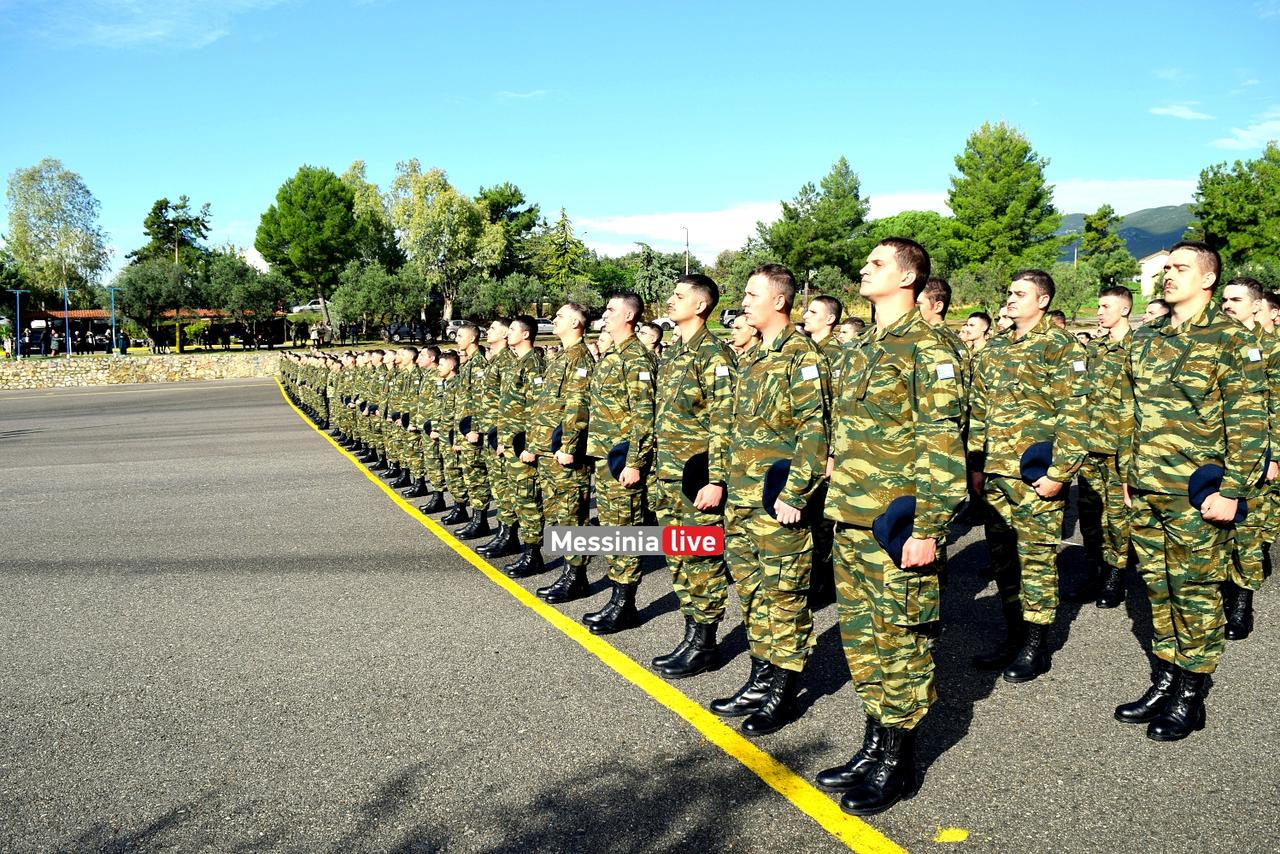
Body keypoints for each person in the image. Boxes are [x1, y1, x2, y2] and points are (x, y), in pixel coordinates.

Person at [817, 237, 965, 815]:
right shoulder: (861, 347)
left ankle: (898, 763)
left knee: (902, 642)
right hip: (852, 519)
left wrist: (928, 528)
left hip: (898, 527)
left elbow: (943, 444)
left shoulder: (931, 347)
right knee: (863, 642)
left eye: (876, 263)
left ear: (908, 278)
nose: (864, 268)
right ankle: (874, 745)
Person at [1115, 242, 1267, 741]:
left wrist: (1234, 490)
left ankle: (1190, 696)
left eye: (1180, 268)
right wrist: (1126, 474)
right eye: (1166, 268)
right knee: (1158, 589)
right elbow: (1129, 411)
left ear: (1208, 279)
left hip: (1197, 494)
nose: (1168, 275)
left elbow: (1248, 422)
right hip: (1147, 486)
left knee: (1196, 593)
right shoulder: (1145, 337)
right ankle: (1164, 681)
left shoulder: (1231, 338)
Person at [710, 264, 829, 736]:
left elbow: (814, 430)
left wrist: (796, 493)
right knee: (753, 594)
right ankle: (760, 678)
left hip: (777, 503)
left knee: (784, 597)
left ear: (779, 301)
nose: (743, 302)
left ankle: (783, 689)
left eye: (751, 294)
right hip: (742, 499)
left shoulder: (801, 355)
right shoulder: (755, 355)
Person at [967, 269, 1089, 683]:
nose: (1010, 298)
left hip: (1036, 476)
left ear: (1043, 300)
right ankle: (1014, 634)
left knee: (1036, 561)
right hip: (996, 473)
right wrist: (977, 464)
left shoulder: (1061, 346)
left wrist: (1060, 473)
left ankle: (1036, 646)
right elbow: (979, 409)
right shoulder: (996, 347)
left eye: (1020, 293)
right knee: (1003, 561)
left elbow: (1076, 414)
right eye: (1009, 292)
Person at [650, 274, 736, 678]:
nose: (671, 300)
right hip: (668, 476)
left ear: (700, 305)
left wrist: (716, 480)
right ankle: (691, 634)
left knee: (701, 560)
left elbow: (724, 422)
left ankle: (705, 643)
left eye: (679, 295)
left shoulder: (714, 355)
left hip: (696, 480)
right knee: (679, 558)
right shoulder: (674, 354)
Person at [582, 292, 657, 634]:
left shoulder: (636, 358)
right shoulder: (614, 354)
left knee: (626, 531)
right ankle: (617, 598)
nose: (605, 314)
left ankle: (626, 604)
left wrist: (635, 462)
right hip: (605, 456)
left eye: (611, 309)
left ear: (629, 316)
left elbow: (644, 416)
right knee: (614, 531)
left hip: (623, 461)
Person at [1216, 276, 1277, 640]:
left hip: (1255, 453)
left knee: (1248, 533)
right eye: (1224, 299)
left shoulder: (1270, 348)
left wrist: (1275, 457)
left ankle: (1242, 604)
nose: (1227, 305)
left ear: (1256, 306)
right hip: (1216, 451)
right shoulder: (1217, 342)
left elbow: (1277, 406)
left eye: (1235, 300)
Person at [1076, 286, 1136, 609]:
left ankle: (1115, 577)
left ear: (1125, 309)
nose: (1099, 312)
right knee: (1089, 515)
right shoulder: (1094, 349)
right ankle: (1093, 573)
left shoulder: (1137, 347)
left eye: (1106, 306)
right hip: (1089, 445)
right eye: (1098, 306)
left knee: (1117, 518)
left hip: (1118, 447)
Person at [531, 303, 596, 603]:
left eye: (559, 316)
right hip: (549, 450)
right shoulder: (562, 356)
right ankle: (570, 572)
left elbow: (578, 405)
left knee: (572, 515)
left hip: (564, 452)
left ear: (575, 323)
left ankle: (576, 577)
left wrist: (569, 445)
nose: (553, 320)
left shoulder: (580, 358)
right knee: (558, 514)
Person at [475, 320, 521, 558]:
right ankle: (503, 533)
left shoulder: (508, 362)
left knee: (506, 488)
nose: (488, 331)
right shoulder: (495, 360)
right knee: (499, 486)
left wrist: (503, 436)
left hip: (501, 434)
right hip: (492, 433)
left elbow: (511, 404)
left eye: (493, 328)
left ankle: (509, 536)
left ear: (504, 334)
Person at [452, 323, 492, 538]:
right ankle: (475, 518)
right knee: (469, 475)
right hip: (465, 429)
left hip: (472, 431)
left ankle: (480, 520)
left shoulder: (478, 365)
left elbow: (479, 400)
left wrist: (474, 428)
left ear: (472, 338)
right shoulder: (468, 364)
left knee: (476, 476)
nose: (457, 339)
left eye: (460, 336)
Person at [801, 294, 844, 366]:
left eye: (813, 312)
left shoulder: (837, 354)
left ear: (830, 319)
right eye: (808, 311)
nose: (805, 316)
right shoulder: (804, 347)